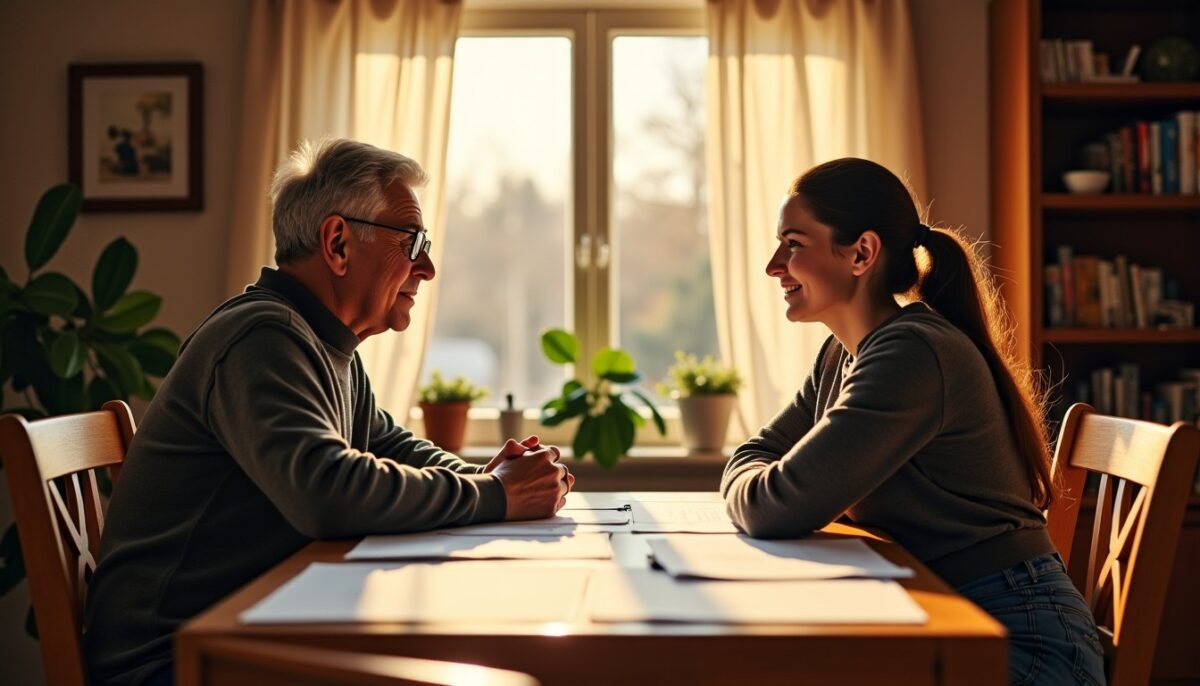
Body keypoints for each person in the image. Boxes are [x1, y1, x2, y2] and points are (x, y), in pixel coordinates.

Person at [84, 138, 574, 686]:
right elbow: (328, 493)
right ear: (338, 242)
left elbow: (390, 446)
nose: (428, 268)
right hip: (170, 664)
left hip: (242, 637)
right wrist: (498, 494)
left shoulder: (322, 345)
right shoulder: (261, 338)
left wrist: (488, 476)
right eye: (413, 242)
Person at [721, 158, 1106, 686]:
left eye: (793, 244)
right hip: (949, 617)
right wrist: (758, 484)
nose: (773, 265)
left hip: (1019, 640)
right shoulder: (843, 355)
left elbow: (775, 505)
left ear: (862, 253)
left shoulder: (912, 354)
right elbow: (756, 458)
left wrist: (755, 487)